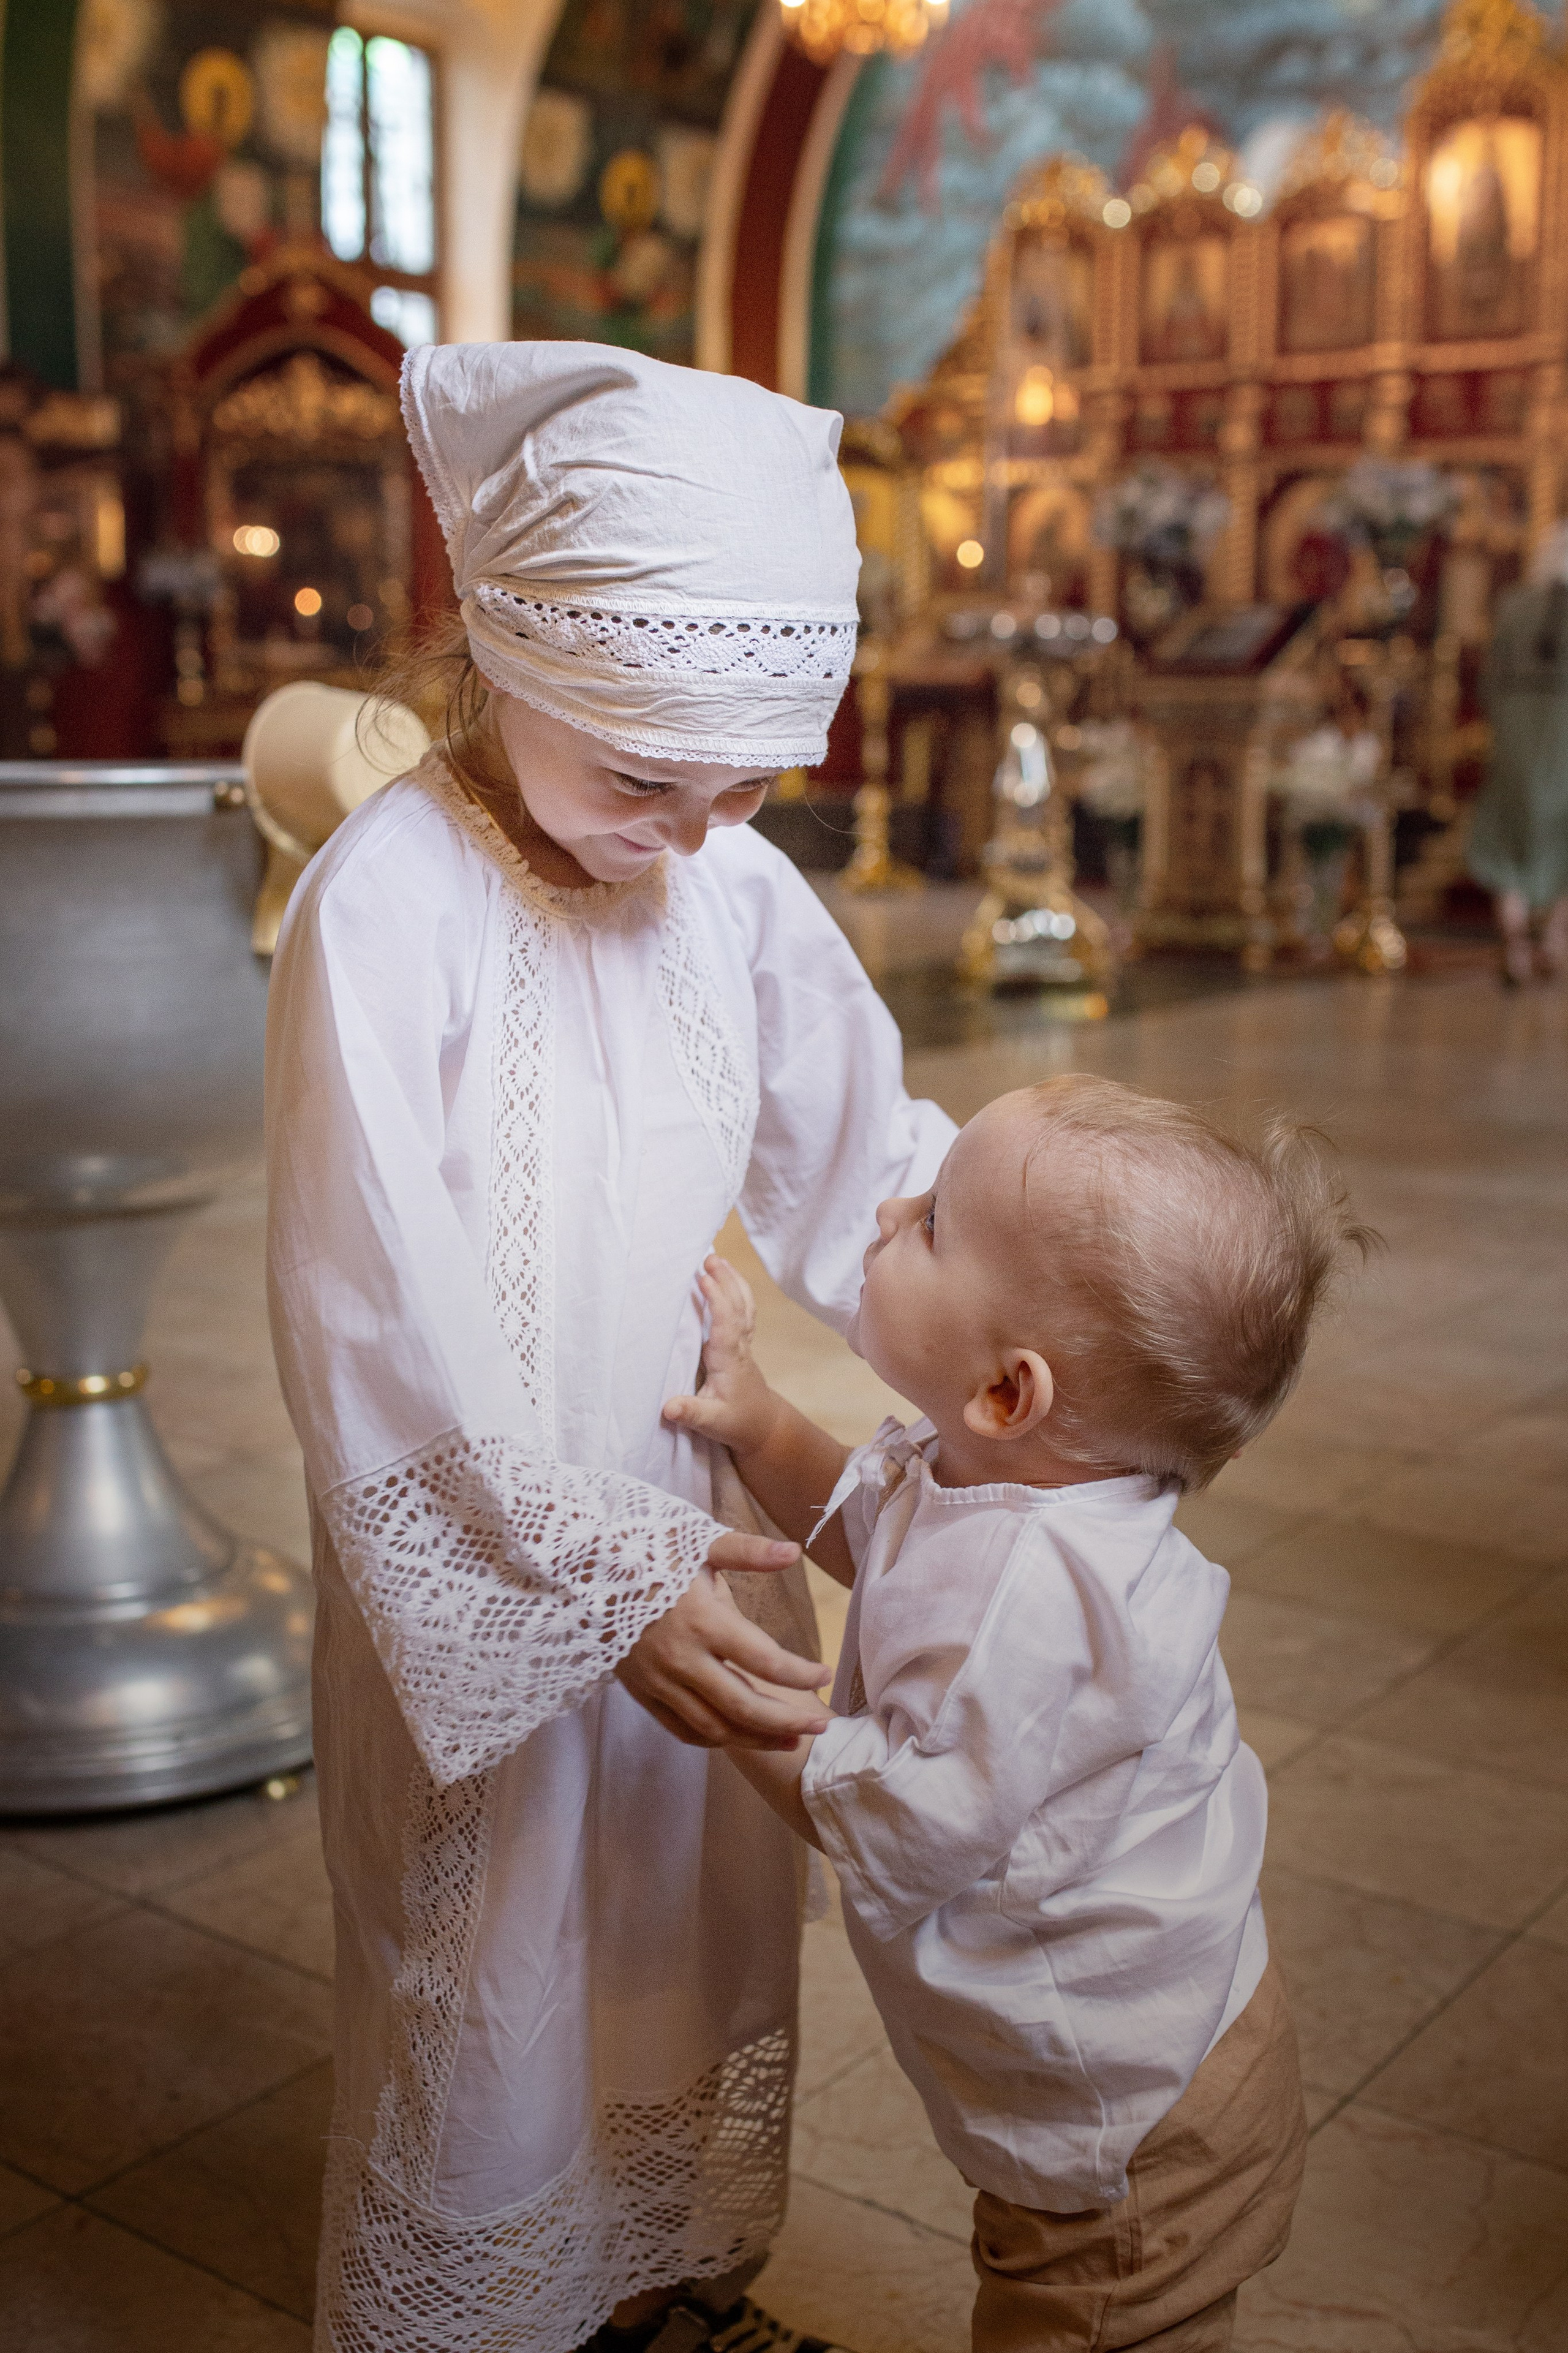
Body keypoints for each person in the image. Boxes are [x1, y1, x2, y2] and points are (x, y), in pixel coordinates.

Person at [264, 340, 954, 2353]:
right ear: (498, 647)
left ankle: (659, 2286)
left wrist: (1035, 1321)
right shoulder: (390, 903)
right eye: (643, 773)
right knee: (492, 1956)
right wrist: (582, 1585)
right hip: (500, 1548)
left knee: (693, 1924)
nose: (691, 825)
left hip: (694, 1511)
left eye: (744, 782)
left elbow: (872, 1162)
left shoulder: (725, 882)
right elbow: (365, 1301)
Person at [666, 1075, 1376, 2352]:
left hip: (1133, 2129)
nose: (887, 1205)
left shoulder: (1044, 1593)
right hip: (1159, 2049)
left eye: (931, 1219)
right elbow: (881, 1538)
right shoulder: (999, 1475)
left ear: (1008, 1392)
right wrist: (760, 1421)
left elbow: (905, 1811)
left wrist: (722, 1697)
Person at [1471, 524, 1568, 986]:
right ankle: (1553, 938)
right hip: (1562, 739)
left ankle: (1515, 945)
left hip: (1514, 737)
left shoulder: (1513, 606)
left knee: (1507, 839)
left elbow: (1490, 681)